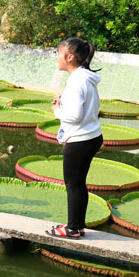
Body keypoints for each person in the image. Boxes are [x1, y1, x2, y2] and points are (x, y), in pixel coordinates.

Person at [46, 37, 103, 238]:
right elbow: (90, 108)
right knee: (78, 183)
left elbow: (74, 116)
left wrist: (56, 110)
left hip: (81, 139)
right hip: (91, 136)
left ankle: (72, 229)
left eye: (58, 53)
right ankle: (77, 226)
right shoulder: (85, 77)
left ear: (69, 57)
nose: (56, 58)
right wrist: (64, 103)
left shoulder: (77, 81)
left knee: (73, 184)